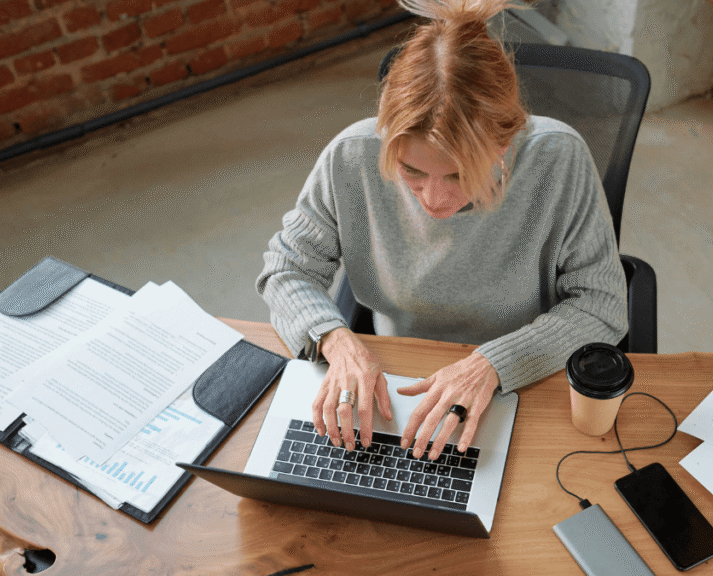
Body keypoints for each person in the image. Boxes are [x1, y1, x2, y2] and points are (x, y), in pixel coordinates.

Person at [257, 0, 628, 461]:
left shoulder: (559, 159)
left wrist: (491, 365)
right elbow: (286, 269)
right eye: (411, 171)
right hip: (396, 380)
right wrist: (335, 339)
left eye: (457, 175)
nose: (433, 200)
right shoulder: (351, 157)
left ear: (506, 139)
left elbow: (603, 305)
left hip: (521, 378)